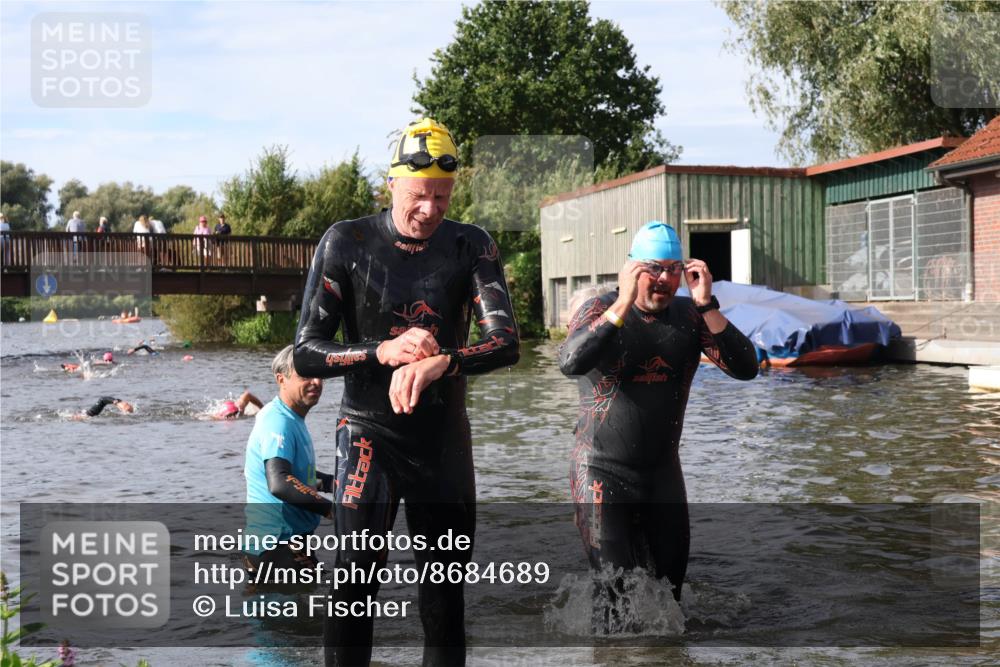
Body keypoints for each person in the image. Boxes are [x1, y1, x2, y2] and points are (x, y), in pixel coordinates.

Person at [294, 117, 519, 667]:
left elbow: (506, 343)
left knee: (444, 597)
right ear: (391, 184)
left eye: (442, 198)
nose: (430, 210)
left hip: (442, 442)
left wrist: (445, 362)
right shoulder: (346, 242)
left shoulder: (472, 245)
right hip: (369, 434)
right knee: (353, 588)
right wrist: (380, 351)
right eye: (419, 195)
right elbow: (306, 351)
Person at [558, 221, 759, 626]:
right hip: (600, 471)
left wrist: (706, 304)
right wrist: (622, 304)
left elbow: (747, 368)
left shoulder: (690, 316)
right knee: (612, 596)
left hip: (662, 474)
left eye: (672, 268)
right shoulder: (600, 309)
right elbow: (570, 362)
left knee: (670, 601)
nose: (663, 279)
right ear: (631, 268)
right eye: (653, 268)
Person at [243, 345, 331, 582]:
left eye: (318, 374)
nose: (316, 382)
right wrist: (332, 510)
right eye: (305, 375)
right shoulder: (277, 421)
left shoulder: (291, 417)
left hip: (287, 544)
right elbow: (280, 483)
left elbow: (301, 475)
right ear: (281, 379)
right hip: (276, 546)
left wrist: (338, 483)